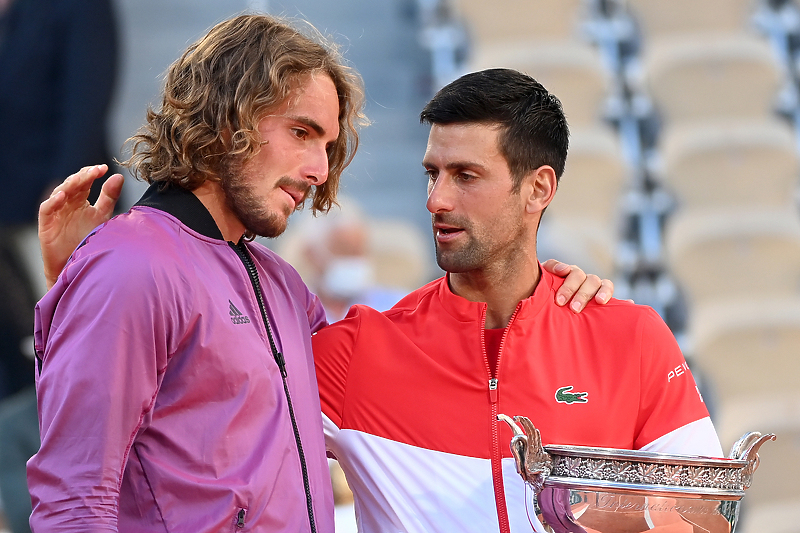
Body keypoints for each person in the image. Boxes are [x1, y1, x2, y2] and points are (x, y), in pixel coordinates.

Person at [30, 15, 610, 533]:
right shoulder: (130, 266)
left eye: (328, 145)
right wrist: (81, 286)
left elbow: (415, 370)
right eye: (301, 132)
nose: (316, 169)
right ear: (225, 113)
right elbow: (75, 501)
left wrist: (535, 297)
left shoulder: (280, 285)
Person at [311, 69, 723, 532]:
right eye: (433, 174)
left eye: (466, 176)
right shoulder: (355, 353)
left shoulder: (631, 337)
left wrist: (587, 510)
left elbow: (702, 515)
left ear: (539, 189)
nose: (436, 200)